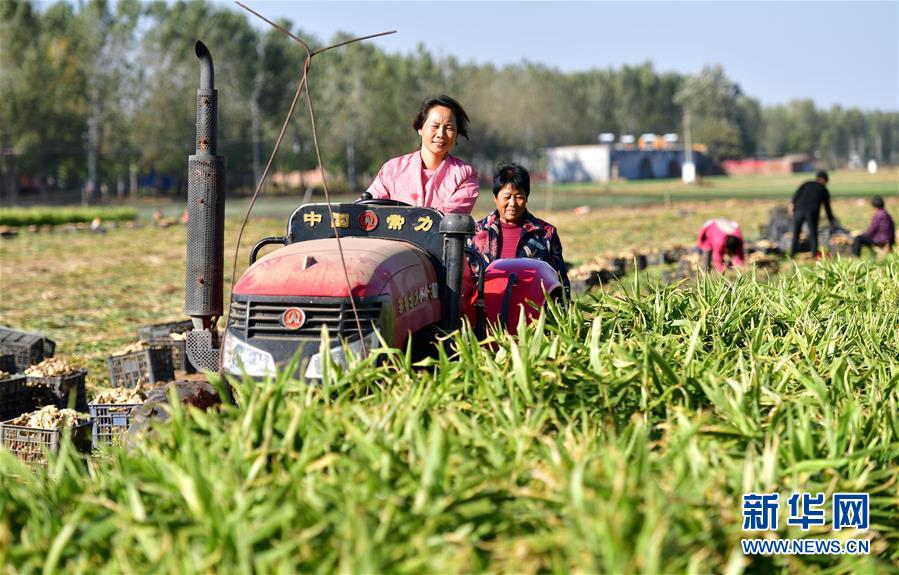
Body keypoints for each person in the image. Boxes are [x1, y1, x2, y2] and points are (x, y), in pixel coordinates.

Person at [366, 95, 479, 214]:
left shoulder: (465, 175)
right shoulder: (392, 169)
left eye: (449, 128)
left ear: (457, 134)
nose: (441, 134)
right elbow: (366, 209)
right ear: (420, 128)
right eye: (435, 126)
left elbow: (446, 218)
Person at [470, 163, 570, 291]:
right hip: (484, 308)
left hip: (533, 307)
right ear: (495, 197)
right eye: (507, 197)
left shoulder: (546, 233)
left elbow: (560, 282)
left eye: (518, 197)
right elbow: (468, 281)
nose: (512, 203)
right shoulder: (476, 233)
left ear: (526, 198)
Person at [790, 170, 837, 257]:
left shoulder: (807, 183)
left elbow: (794, 197)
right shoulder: (823, 189)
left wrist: (792, 208)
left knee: (796, 233)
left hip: (799, 210)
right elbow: (827, 208)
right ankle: (814, 254)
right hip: (811, 212)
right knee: (813, 234)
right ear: (824, 180)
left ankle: (792, 254)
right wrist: (831, 220)